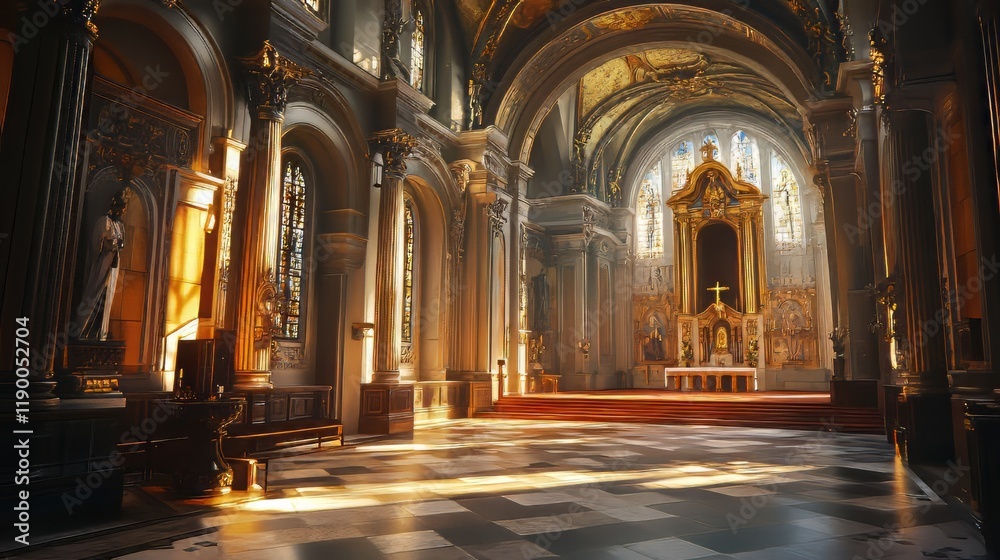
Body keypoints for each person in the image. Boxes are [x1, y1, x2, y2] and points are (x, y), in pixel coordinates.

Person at [77, 189, 128, 340]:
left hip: (113, 263)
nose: (123, 212)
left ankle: (101, 332)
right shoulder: (104, 221)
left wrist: (117, 245)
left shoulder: (119, 225)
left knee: (107, 297)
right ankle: (81, 330)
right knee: (95, 292)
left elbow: (121, 243)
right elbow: (96, 245)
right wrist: (110, 244)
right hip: (102, 262)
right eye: (122, 208)